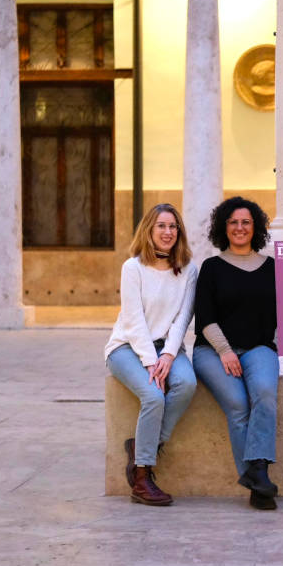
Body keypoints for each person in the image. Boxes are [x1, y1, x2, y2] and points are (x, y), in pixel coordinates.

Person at [105, 203, 198, 506]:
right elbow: (133, 320)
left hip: (168, 349)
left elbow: (182, 317)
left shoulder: (188, 269)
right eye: (161, 226)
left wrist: (169, 355)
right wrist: (150, 362)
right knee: (154, 395)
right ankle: (143, 477)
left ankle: (143, 446)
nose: (168, 232)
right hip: (127, 348)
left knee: (186, 384)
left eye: (173, 227)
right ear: (149, 229)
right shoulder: (133, 267)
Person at [193, 197, 280, 510]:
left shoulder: (272, 267)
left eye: (246, 222)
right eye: (233, 222)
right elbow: (204, 319)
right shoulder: (212, 268)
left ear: (254, 226)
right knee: (238, 405)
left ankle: (257, 473)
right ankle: (258, 484)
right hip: (213, 352)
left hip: (259, 348)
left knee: (266, 394)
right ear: (223, 228)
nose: (240, 228)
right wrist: (225, 351)